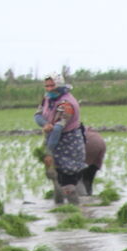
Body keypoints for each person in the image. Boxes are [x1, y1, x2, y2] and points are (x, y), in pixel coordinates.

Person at [35, 72, 85, 205]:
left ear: (59, 85)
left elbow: (58, 128)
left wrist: (48, 151)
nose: (49, 88)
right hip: (52, 138)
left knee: (68, 181)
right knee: (54, 176)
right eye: (47, 86)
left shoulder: (67, 104)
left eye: (52, 85)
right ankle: (59, 209)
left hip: (69, 142)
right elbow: (38, 115)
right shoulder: (46, 98)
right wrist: (45, 124)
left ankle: (74, 212)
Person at [81, 128, 106, 195]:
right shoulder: (92, 132)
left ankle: (82, 196)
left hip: (86, 145)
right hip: (100, 144)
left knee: (79, 178)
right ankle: (88, 194)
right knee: (89, 178)